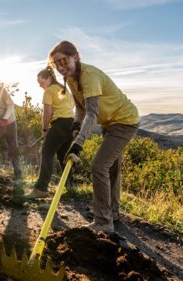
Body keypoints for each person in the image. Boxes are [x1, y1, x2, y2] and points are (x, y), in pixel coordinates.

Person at [48, 41, 139, 233]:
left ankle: (103, 222)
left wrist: (78, 144)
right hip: (111, 122)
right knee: (111, 168)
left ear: (76, 57)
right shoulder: (72, 78)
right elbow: (81, 107)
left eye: (64, 61)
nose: (62, 67)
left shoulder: (89, 75)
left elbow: (92, 113)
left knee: (99, 166)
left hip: (124, 122)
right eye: (57, 64)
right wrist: (75, 125)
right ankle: (111, 213)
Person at [25, 66, 74, 198]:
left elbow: (47, 112)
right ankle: (70, 186)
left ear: (49, 78)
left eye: (41, 82)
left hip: (60, 123)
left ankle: (41, 188)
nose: (41, 86)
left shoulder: (49, 91)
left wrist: (45, 129)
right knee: (63, 155)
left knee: (47, 153)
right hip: (71, 123)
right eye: (39, 84)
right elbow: (72, 104)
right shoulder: (64, 89)